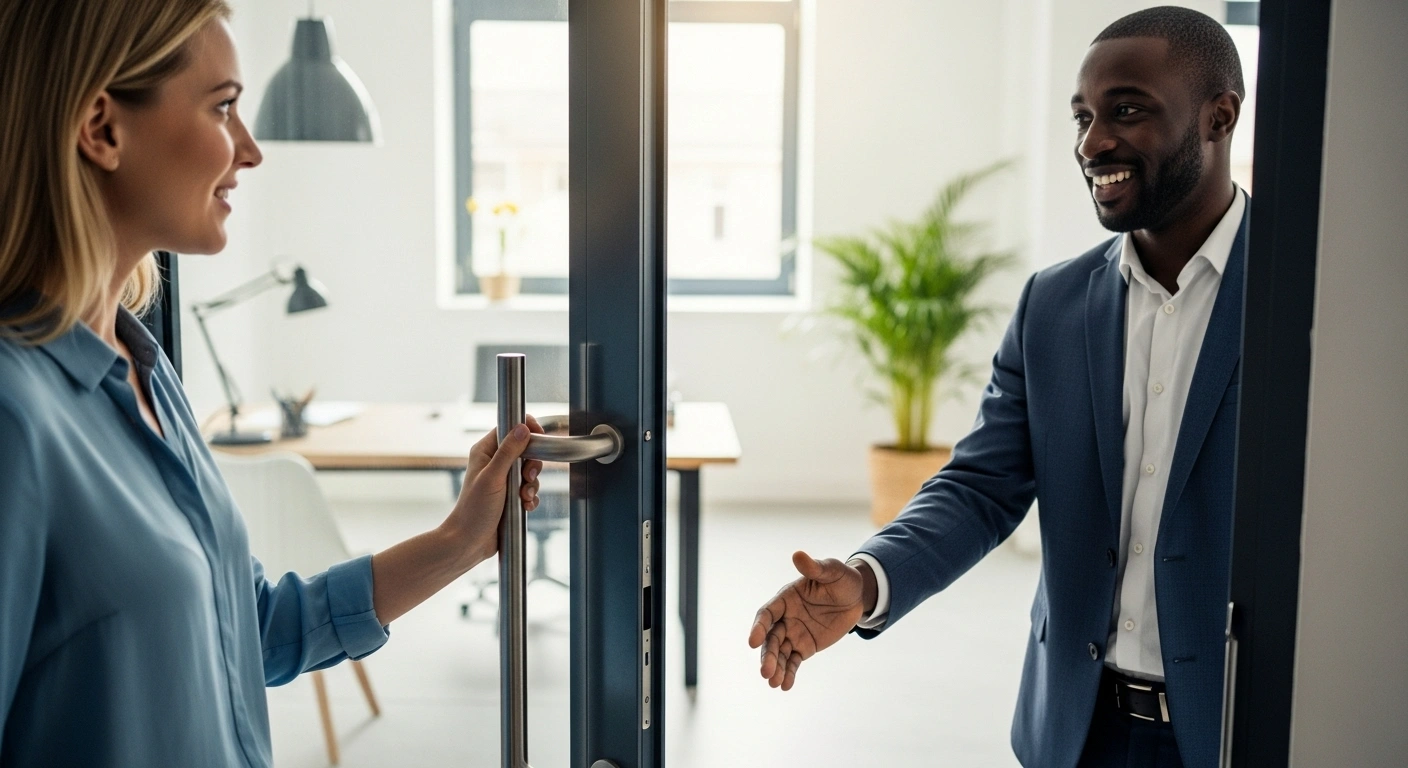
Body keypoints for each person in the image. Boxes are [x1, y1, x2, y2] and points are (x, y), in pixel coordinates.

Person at [0, 2, 543, 765]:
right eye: (223, 107)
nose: (250, 151)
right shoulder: (14, 418)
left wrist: (461, 541)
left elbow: (247, 629)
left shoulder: (148, 371)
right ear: (101, 128)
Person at [749, 7, 1248, 768]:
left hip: (1237, 732)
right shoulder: (1053, 305)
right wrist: (868, 580)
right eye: (1082, 117)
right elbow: (982, 486)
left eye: (1126, 111)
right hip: (1075, 732)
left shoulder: (1305, 303)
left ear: (1219, 117)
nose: (1092, 142)